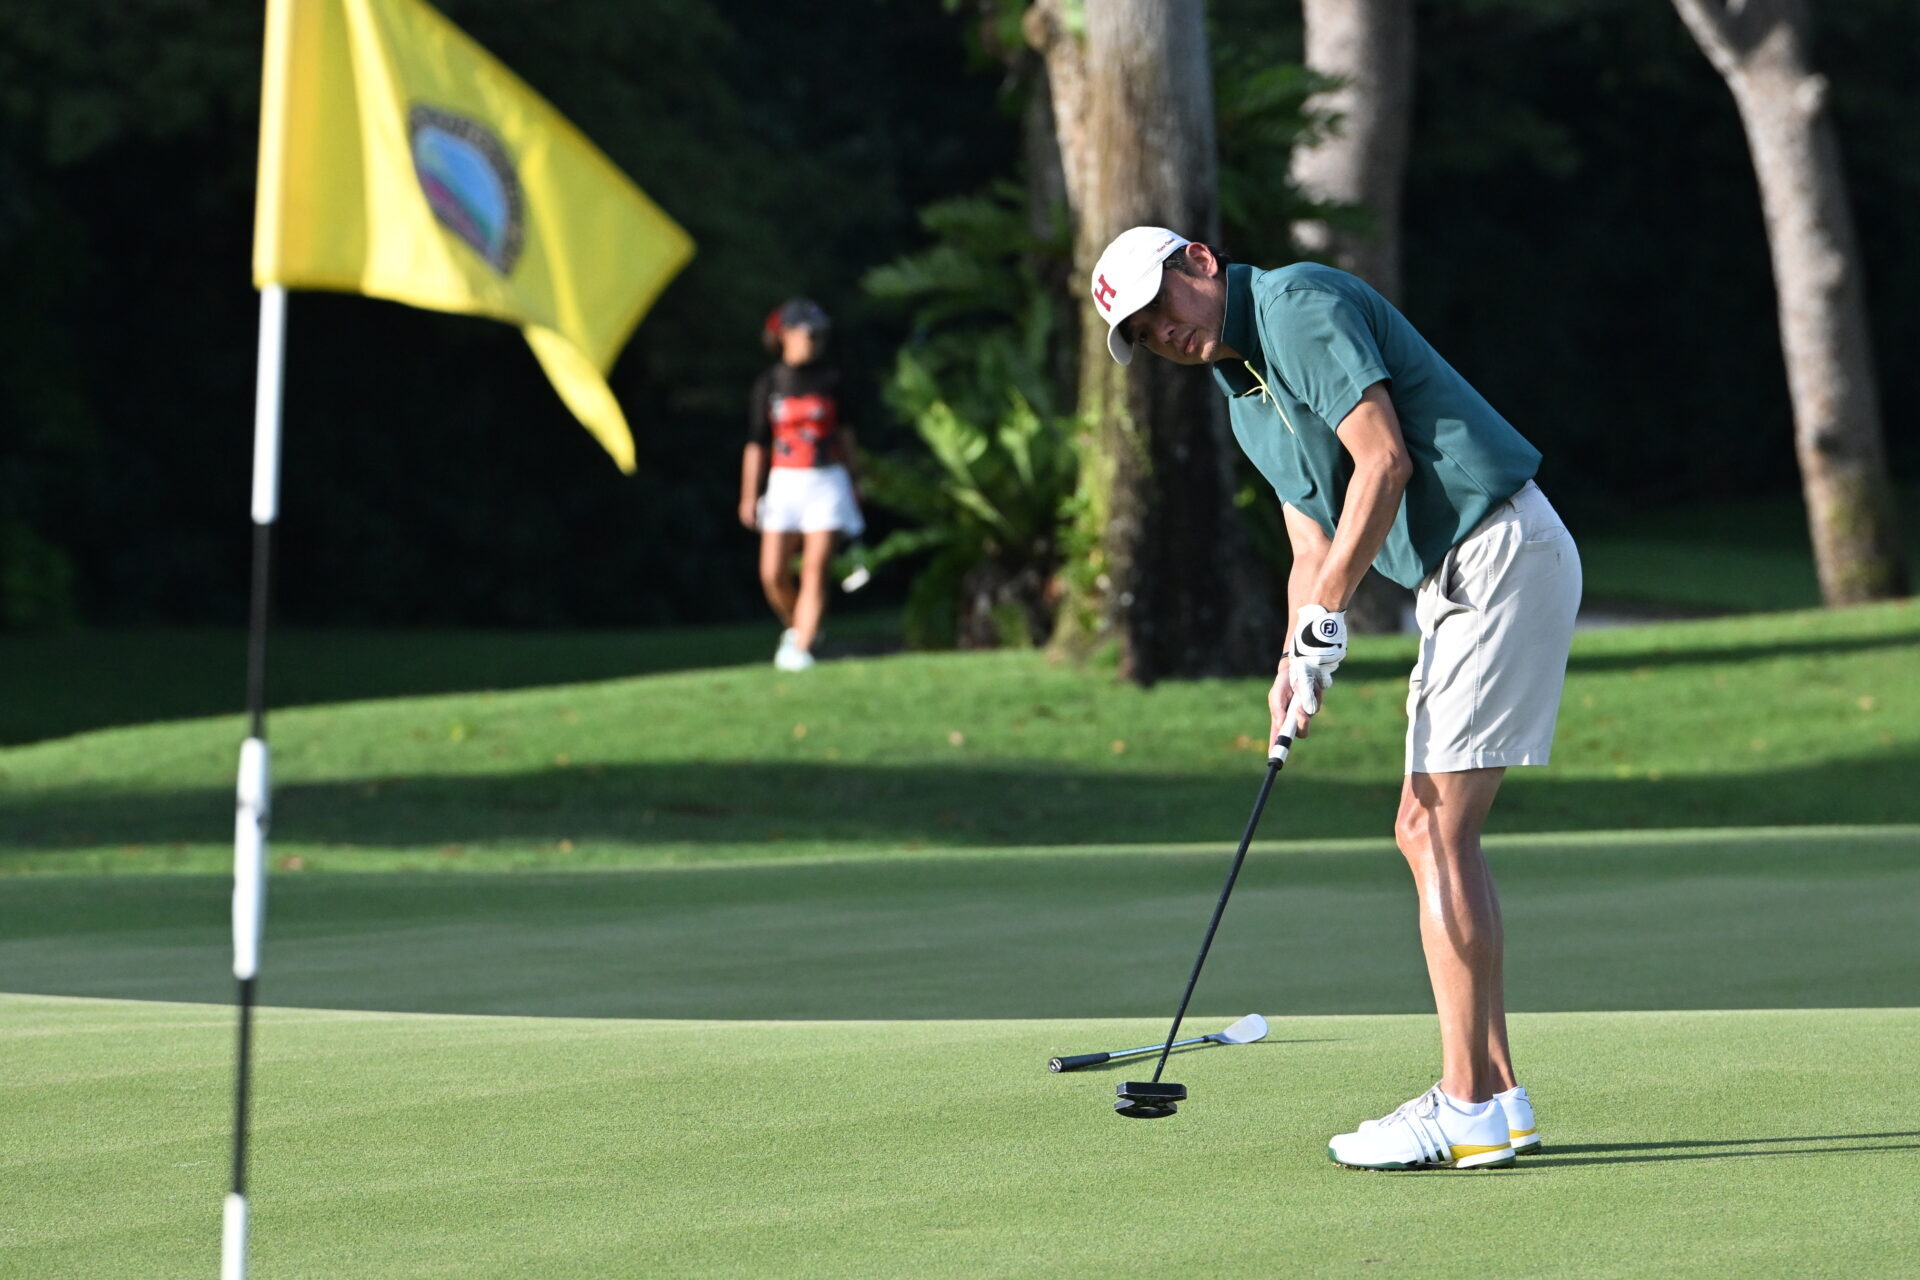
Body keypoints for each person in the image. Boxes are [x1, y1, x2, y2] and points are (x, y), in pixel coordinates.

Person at [1089, 226, 1582, 1171]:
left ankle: (1465, 1106)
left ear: (1200, 261)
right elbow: (1310, 543)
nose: (1164, 335)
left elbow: (1384, 460)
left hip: (1496, 553)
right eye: (1143, 335)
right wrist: (1294, 657)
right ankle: (1499, 1097)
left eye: (1162, 306)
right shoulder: (1244, 397)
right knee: (1430, 831)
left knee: (1431, 828)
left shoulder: (1295, 305)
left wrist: (1331, 610)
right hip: (1464, 576)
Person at [741, 299, 865, 672]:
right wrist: (749, 495)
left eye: (819, 335)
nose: (815, 341)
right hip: (784, 483)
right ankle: (800, 629)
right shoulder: (769, 383)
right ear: (786, 335)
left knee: (814, 569)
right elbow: (757, 444)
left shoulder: (833, 380)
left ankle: (800, 650)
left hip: (827, 481)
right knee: (772, 574)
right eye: (809, 333)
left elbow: (846, 435)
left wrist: (856, 480)